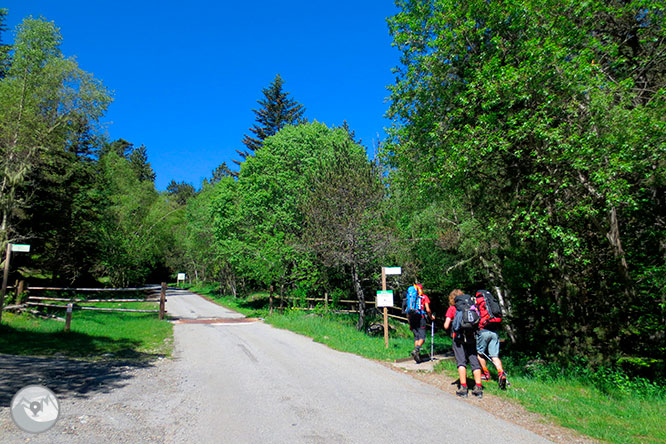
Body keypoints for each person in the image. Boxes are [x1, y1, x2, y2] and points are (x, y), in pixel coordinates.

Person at [443, 289, 483, 398]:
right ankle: (478, 388)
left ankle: (463, 388)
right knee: (474, 361)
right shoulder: (471, 307)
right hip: (471, 337)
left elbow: (446, 326)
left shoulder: (452, 308)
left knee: (461, 362)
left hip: (458, 339)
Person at [475, 290, 509, 390]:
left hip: (484, 331)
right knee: (494, 356)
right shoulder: (491, 301)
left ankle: (486, 374)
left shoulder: (479, 301)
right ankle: (501, 374)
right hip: (494, 331)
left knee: (480, 354)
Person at [408, 283, 435, 363]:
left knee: (416, 337)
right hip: (421, 317)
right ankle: (417, 349)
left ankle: (417, 355)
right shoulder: (424, 297)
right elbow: (428, 309)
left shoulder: (410, 298)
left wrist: (409, 323)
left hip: (412, 318)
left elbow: (408, 312)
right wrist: (431, 317)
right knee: (422, 337)